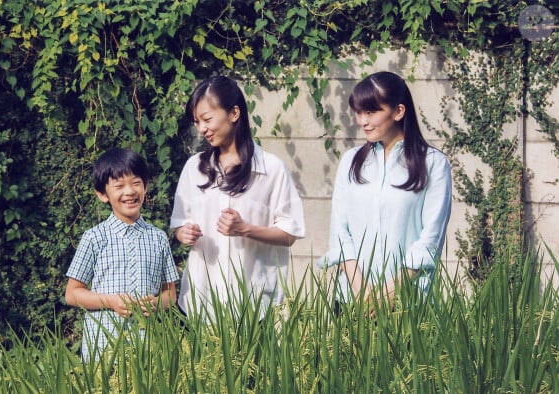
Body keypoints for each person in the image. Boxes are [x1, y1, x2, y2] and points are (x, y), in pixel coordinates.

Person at [170, 76, 305, 321]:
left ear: (234, 113)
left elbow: (290, 234)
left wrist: (246, 229)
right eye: (198, 122)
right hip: (202, 300)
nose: (202, 129)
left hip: (256, 307)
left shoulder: (272, 169)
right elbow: (179, 224)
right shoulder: (194, 168)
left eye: (207, 119)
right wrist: (183, 234)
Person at [318, 71, 452, 309]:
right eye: (359, 112)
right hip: (351, 300)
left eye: (371, 111)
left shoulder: (433, 163)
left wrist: (386, 295)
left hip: (409, 303)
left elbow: (430, 239)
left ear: (399, 111)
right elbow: (340, 230)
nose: (362, 121)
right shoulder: (350, 161)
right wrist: (361, 291)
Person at [65, 148, 179, 361]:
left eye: (136, 183)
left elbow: (170, 294)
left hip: (149, 348)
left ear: (145, 186)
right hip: (103, 349)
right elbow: (72, 294)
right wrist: (111, 301)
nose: (129, 191)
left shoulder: (158, 238)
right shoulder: (94, 238)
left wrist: (156, 304)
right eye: (118, 186)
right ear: (102, 194)